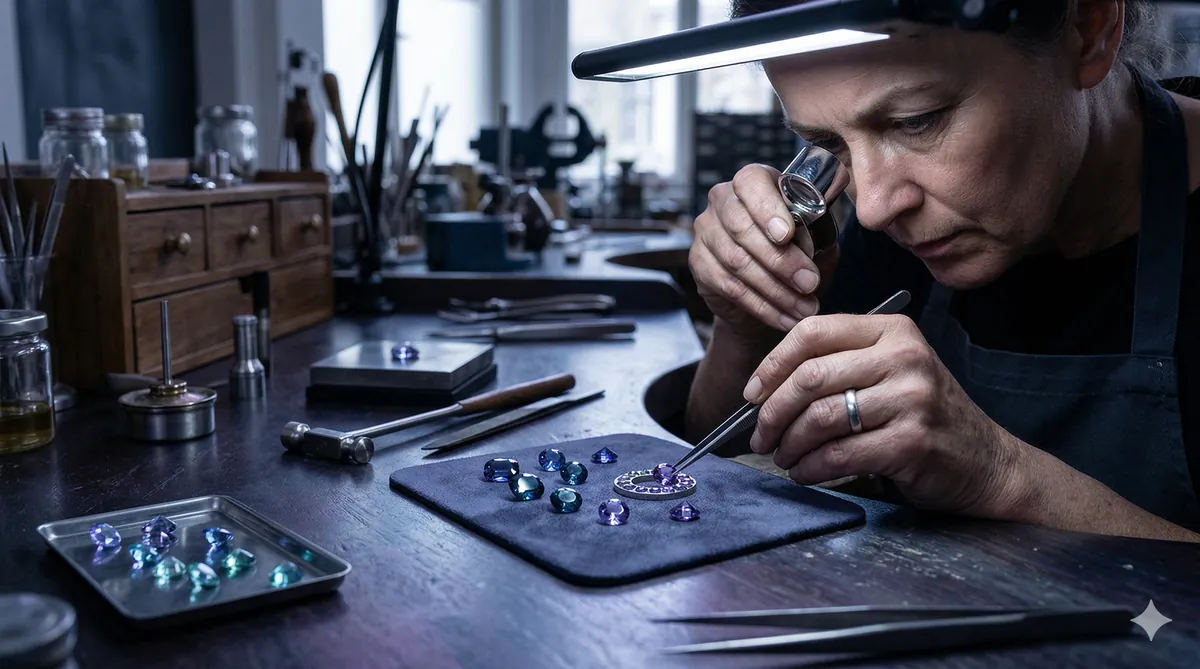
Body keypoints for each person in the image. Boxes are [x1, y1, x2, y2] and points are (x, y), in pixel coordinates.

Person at [686, 0, 1200, 542]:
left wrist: (1001, 476)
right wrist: (748, 323)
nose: (874, 209)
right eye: (830, 144)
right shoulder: (904, 234)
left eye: (916, 121)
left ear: (1089, 29)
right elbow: (715, 461)